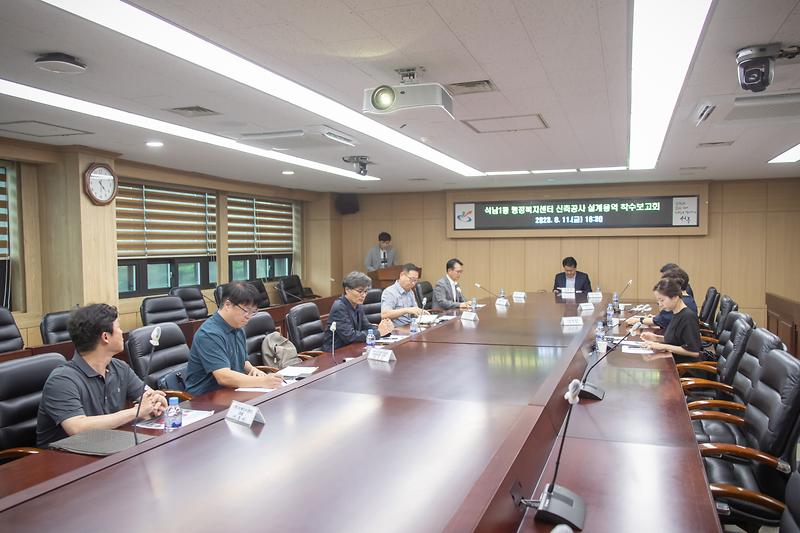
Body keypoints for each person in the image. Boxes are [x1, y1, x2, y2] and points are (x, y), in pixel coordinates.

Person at [36, 304, 167, 448]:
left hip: (105, 447)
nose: (123, 333)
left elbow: (146, 398)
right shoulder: (62, 380)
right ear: (105, 337)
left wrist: (156, 402)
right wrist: (137, 411)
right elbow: (77, 428)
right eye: (118, 328)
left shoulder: (120, 367)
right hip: (63, 461)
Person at [185, 282, 284, 395]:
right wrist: (262, 381)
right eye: (246, 310)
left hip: (231, 391)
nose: (248, 317)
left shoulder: (237, 326)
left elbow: (242, 361)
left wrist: (252, 369)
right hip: (205, 399)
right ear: (227, 305)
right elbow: (223, 377)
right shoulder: (209, 334)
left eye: (253, 312)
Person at [323, 271, 394, 351]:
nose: (363, 295)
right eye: (360, 291)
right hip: (336, 352)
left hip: (352, 348)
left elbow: (367, 326)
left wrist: (385, 328)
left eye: (366, 291)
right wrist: (378, 333)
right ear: (347, 290)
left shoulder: (358, 305)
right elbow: (350, 336)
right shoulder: (339, 307)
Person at [639, 277, 702, 362]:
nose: (660, 304)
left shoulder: (688, 317)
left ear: (675, 297)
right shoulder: (675, 313)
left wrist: (663, 346)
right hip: (674, 361)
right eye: (658, 301)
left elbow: (694, 352)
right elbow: (676, 340)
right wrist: (656, 338)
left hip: (685, 368)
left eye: (662, 300)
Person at [626, 267, 697, 328]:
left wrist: (638, 320)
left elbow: (662, 320)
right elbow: (664, 319)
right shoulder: (687, 299)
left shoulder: (678, 303)